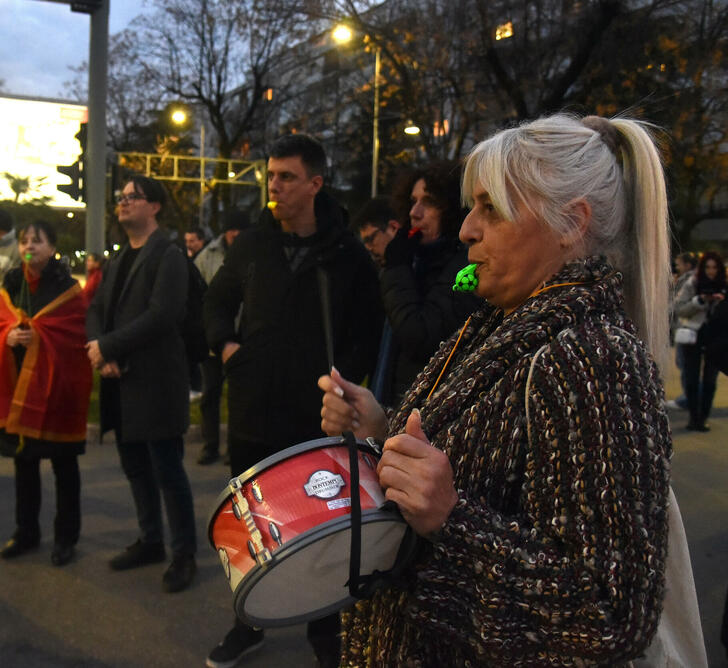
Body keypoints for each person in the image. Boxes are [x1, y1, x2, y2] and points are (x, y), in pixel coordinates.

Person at [319, 114, 674, 664]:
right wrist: (381, 427)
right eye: (472, 207)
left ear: (571, 223)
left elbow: (610, 616)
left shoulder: (592, 358)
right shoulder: (501, 323)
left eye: (491, 209)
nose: (466, 229)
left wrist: (451, 521)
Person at [203, 134, 382, 668]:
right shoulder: (253, 244)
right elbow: (215, 301)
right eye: (271, 176)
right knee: (252, 528)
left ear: (315, 184)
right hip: (253, 411)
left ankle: (325, 633)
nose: (274, 186)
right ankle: (248, 622)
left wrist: (343, 385)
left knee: (320, 530)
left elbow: (367, 331)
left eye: (286, 177)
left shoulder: (346, 253)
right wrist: (229, 350)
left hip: (317, 422)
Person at [85, 175, 198, 594]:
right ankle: (151, 540)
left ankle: (184, 554)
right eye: (122, 197)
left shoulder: (168, 255)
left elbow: (162, 314)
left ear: (155, 206)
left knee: (168, 470)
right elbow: (96, 308)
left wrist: (108, 347)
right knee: (134, 466)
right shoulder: (118, 258)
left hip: (156, 382)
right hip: (121, 381)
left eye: (134, 197)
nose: (124, 202)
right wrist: (102, 349)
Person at [0, 221, 92, 566]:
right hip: (19, 389)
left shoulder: (67, 288)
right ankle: (25, 532)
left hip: (57, 391)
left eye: (37, 241)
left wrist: (40, 337)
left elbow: (75, 336)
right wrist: (9, 336)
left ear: (52, 248)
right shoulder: (11, 283)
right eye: (25, 241)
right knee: (23, 464)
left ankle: (65, 538)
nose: (29, 246)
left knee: (63, 465)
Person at [353, 163, 480, 406]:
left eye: (429, 202)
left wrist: (396, 268)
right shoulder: (417, 262)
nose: (415, 212)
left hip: (427, 409)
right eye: (412, 201)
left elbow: (419, 335)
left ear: (452, 209)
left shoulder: (465, 268)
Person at [193, 209, 249, 465]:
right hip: (213, 339)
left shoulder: (253, 252)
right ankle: (210, 445)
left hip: (244, 338)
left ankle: (234, 447)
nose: (235, 234)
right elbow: (199, 294)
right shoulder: (208, 256)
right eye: (231, 229)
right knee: (210, 395)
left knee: (239, 397)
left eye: (239, 230)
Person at [674, 250, 728, 432]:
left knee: (710, 380)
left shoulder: (724, 285)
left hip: (717, 338)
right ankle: (694, 418)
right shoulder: (693, 283)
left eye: (715, 267)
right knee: (691, 377)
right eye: (708, 267)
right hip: (694, 335)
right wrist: (699, 301)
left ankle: (703, 417)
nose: (711, 271)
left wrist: (720, 302)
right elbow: (679, 308)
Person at [666, 251, 698, 410]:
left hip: (686, 327)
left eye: (679, 264)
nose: (677, 267)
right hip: (685, 326)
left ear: (688, 265)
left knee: (685, 364)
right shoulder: (687, 279)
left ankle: (689, 399)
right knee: (685, 364)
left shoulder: (689, 280)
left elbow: (678, 303)